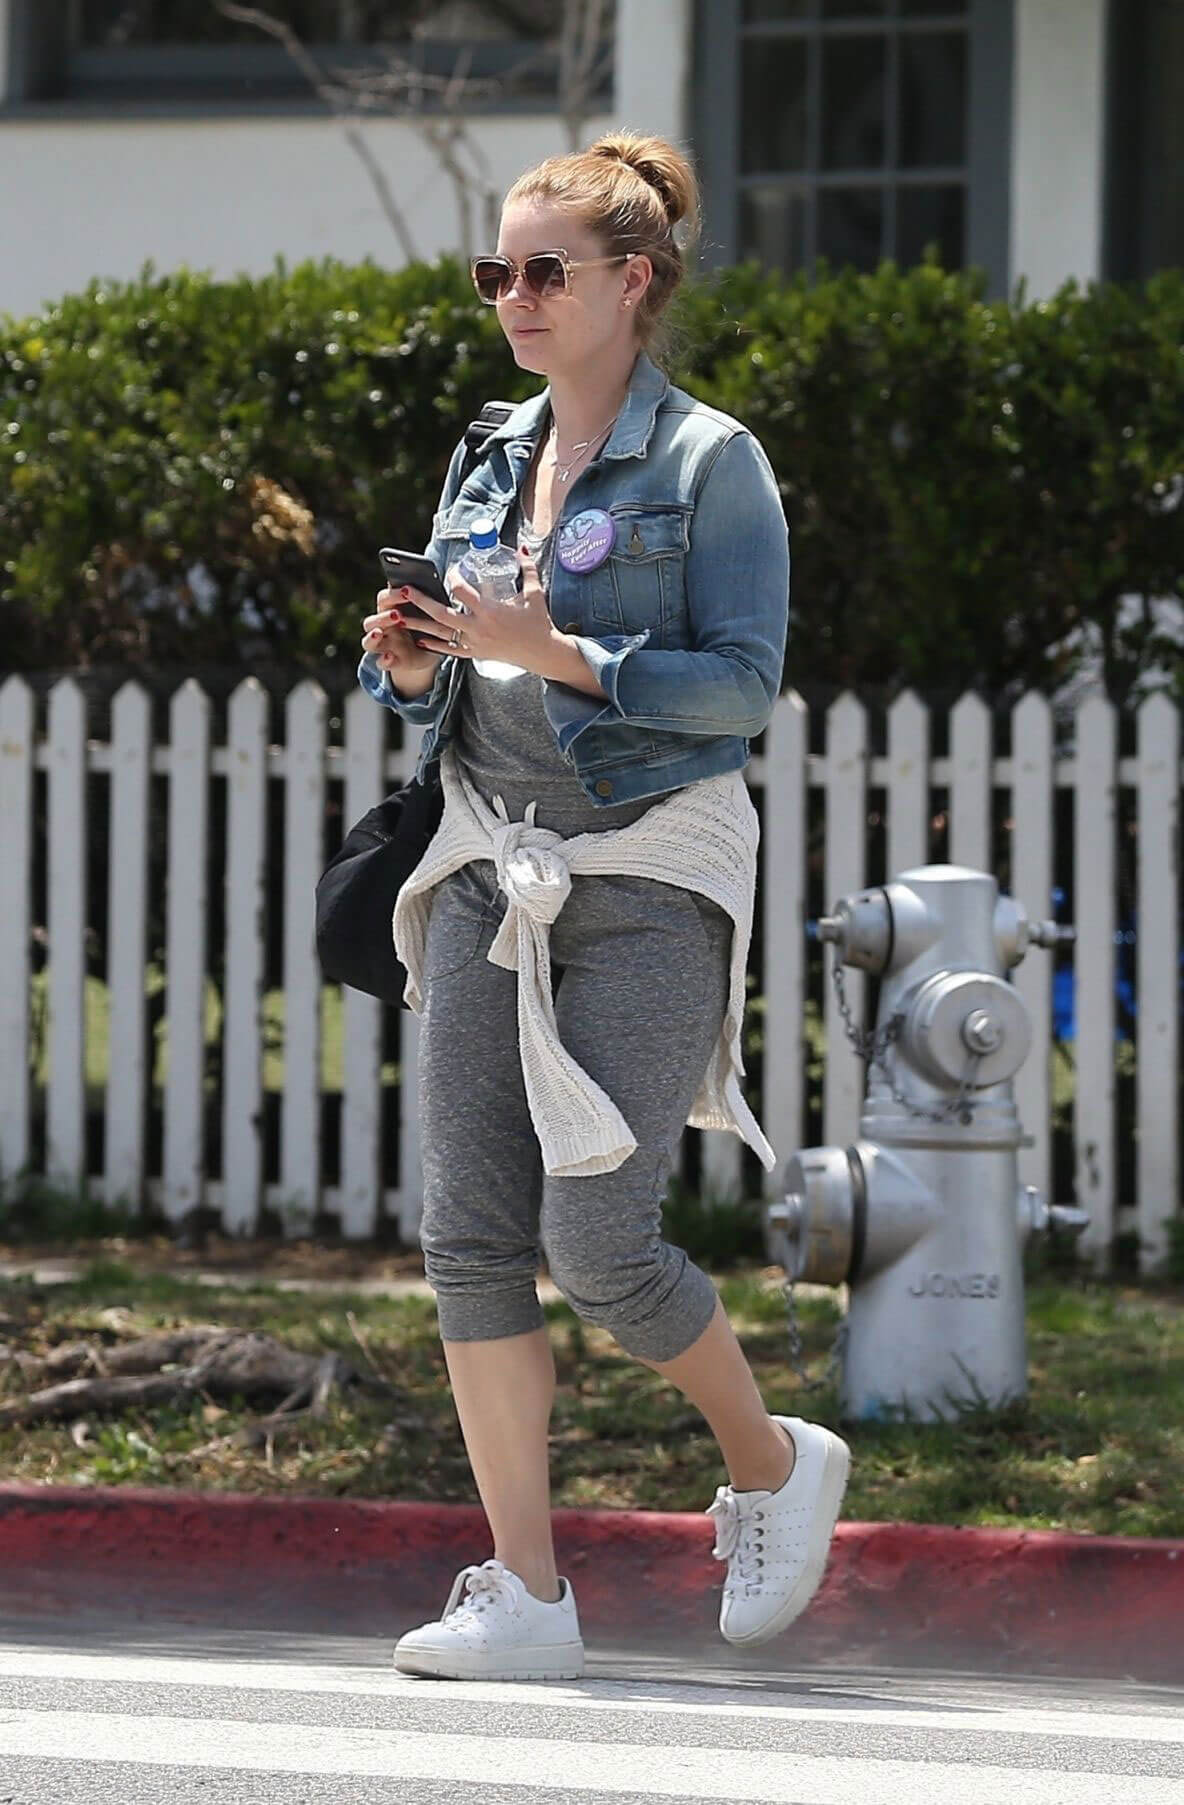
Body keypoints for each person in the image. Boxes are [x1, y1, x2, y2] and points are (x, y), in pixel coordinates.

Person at [358, 130, 850, 1683]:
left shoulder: (714, 464)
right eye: (496, 270)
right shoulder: (488, 454)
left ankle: (773, 1464)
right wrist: (419, 659)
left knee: (603, 1233)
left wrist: (560, 651)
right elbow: (444, 660)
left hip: (644, 874)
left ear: (633, 280)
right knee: (471, 1240)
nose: (513, 296)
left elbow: (742, 689)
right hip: (489, 865)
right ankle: (526, 1592)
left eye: (543, 270)